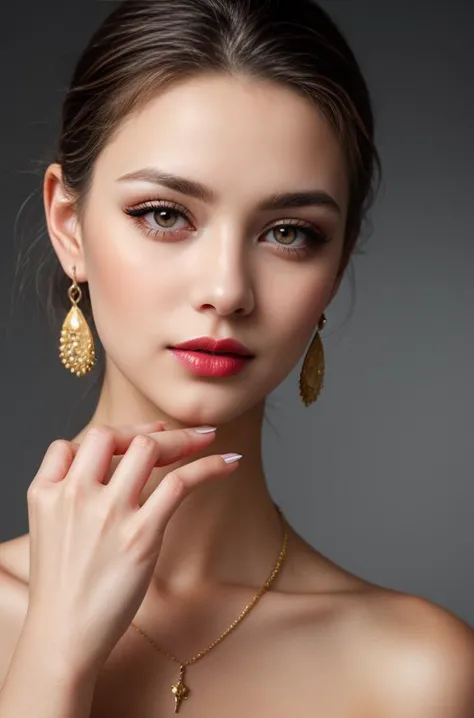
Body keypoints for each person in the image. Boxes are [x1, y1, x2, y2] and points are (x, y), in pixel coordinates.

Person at [0, 0, 473, 716]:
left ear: (337, 266)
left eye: (289, 233)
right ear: (69, 227)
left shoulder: (418, 674)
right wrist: (54, 657)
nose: (226, 290)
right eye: (164, 215)